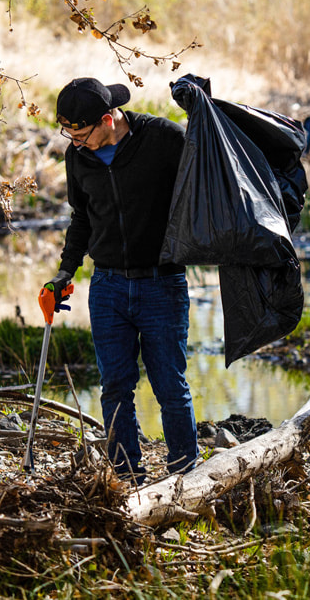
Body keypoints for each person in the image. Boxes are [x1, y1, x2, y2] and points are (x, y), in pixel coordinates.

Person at [45, 77, 197, 483]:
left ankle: (185, 475)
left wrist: (204, 111)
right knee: (114, 388)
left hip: (162, 283)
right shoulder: (78, 157)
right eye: (69, 135)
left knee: (170, 386)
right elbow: (81, 217)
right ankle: (127, 478)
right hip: (108, 287)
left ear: (108, 120)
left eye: (81, 133)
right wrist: (65, 270)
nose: (76, 143)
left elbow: (206, 181)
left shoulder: (164, 139)